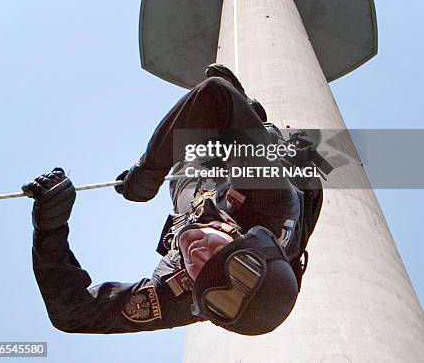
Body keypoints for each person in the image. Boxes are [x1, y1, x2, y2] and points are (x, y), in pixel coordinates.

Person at [24, 65, 323, 336]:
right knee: (228, 127)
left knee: (188, 162)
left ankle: (227, 125)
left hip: (200, 187)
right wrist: (149, 171)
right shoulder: (271, 204)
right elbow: (215, 93)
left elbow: (73, 313)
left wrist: (50, 229)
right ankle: (247, 115)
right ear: (247, 239)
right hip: (257, 178)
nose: (196, 253)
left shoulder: (182, 295)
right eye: (220, 253)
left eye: (198, 273)